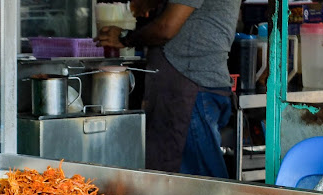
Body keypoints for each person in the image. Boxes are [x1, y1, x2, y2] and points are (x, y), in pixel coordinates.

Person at [95, 0, 241, 178]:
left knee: (202, 186)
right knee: (183, 183)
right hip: (191, 86)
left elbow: (166, 27)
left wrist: (124, 37)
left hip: (189, 86)